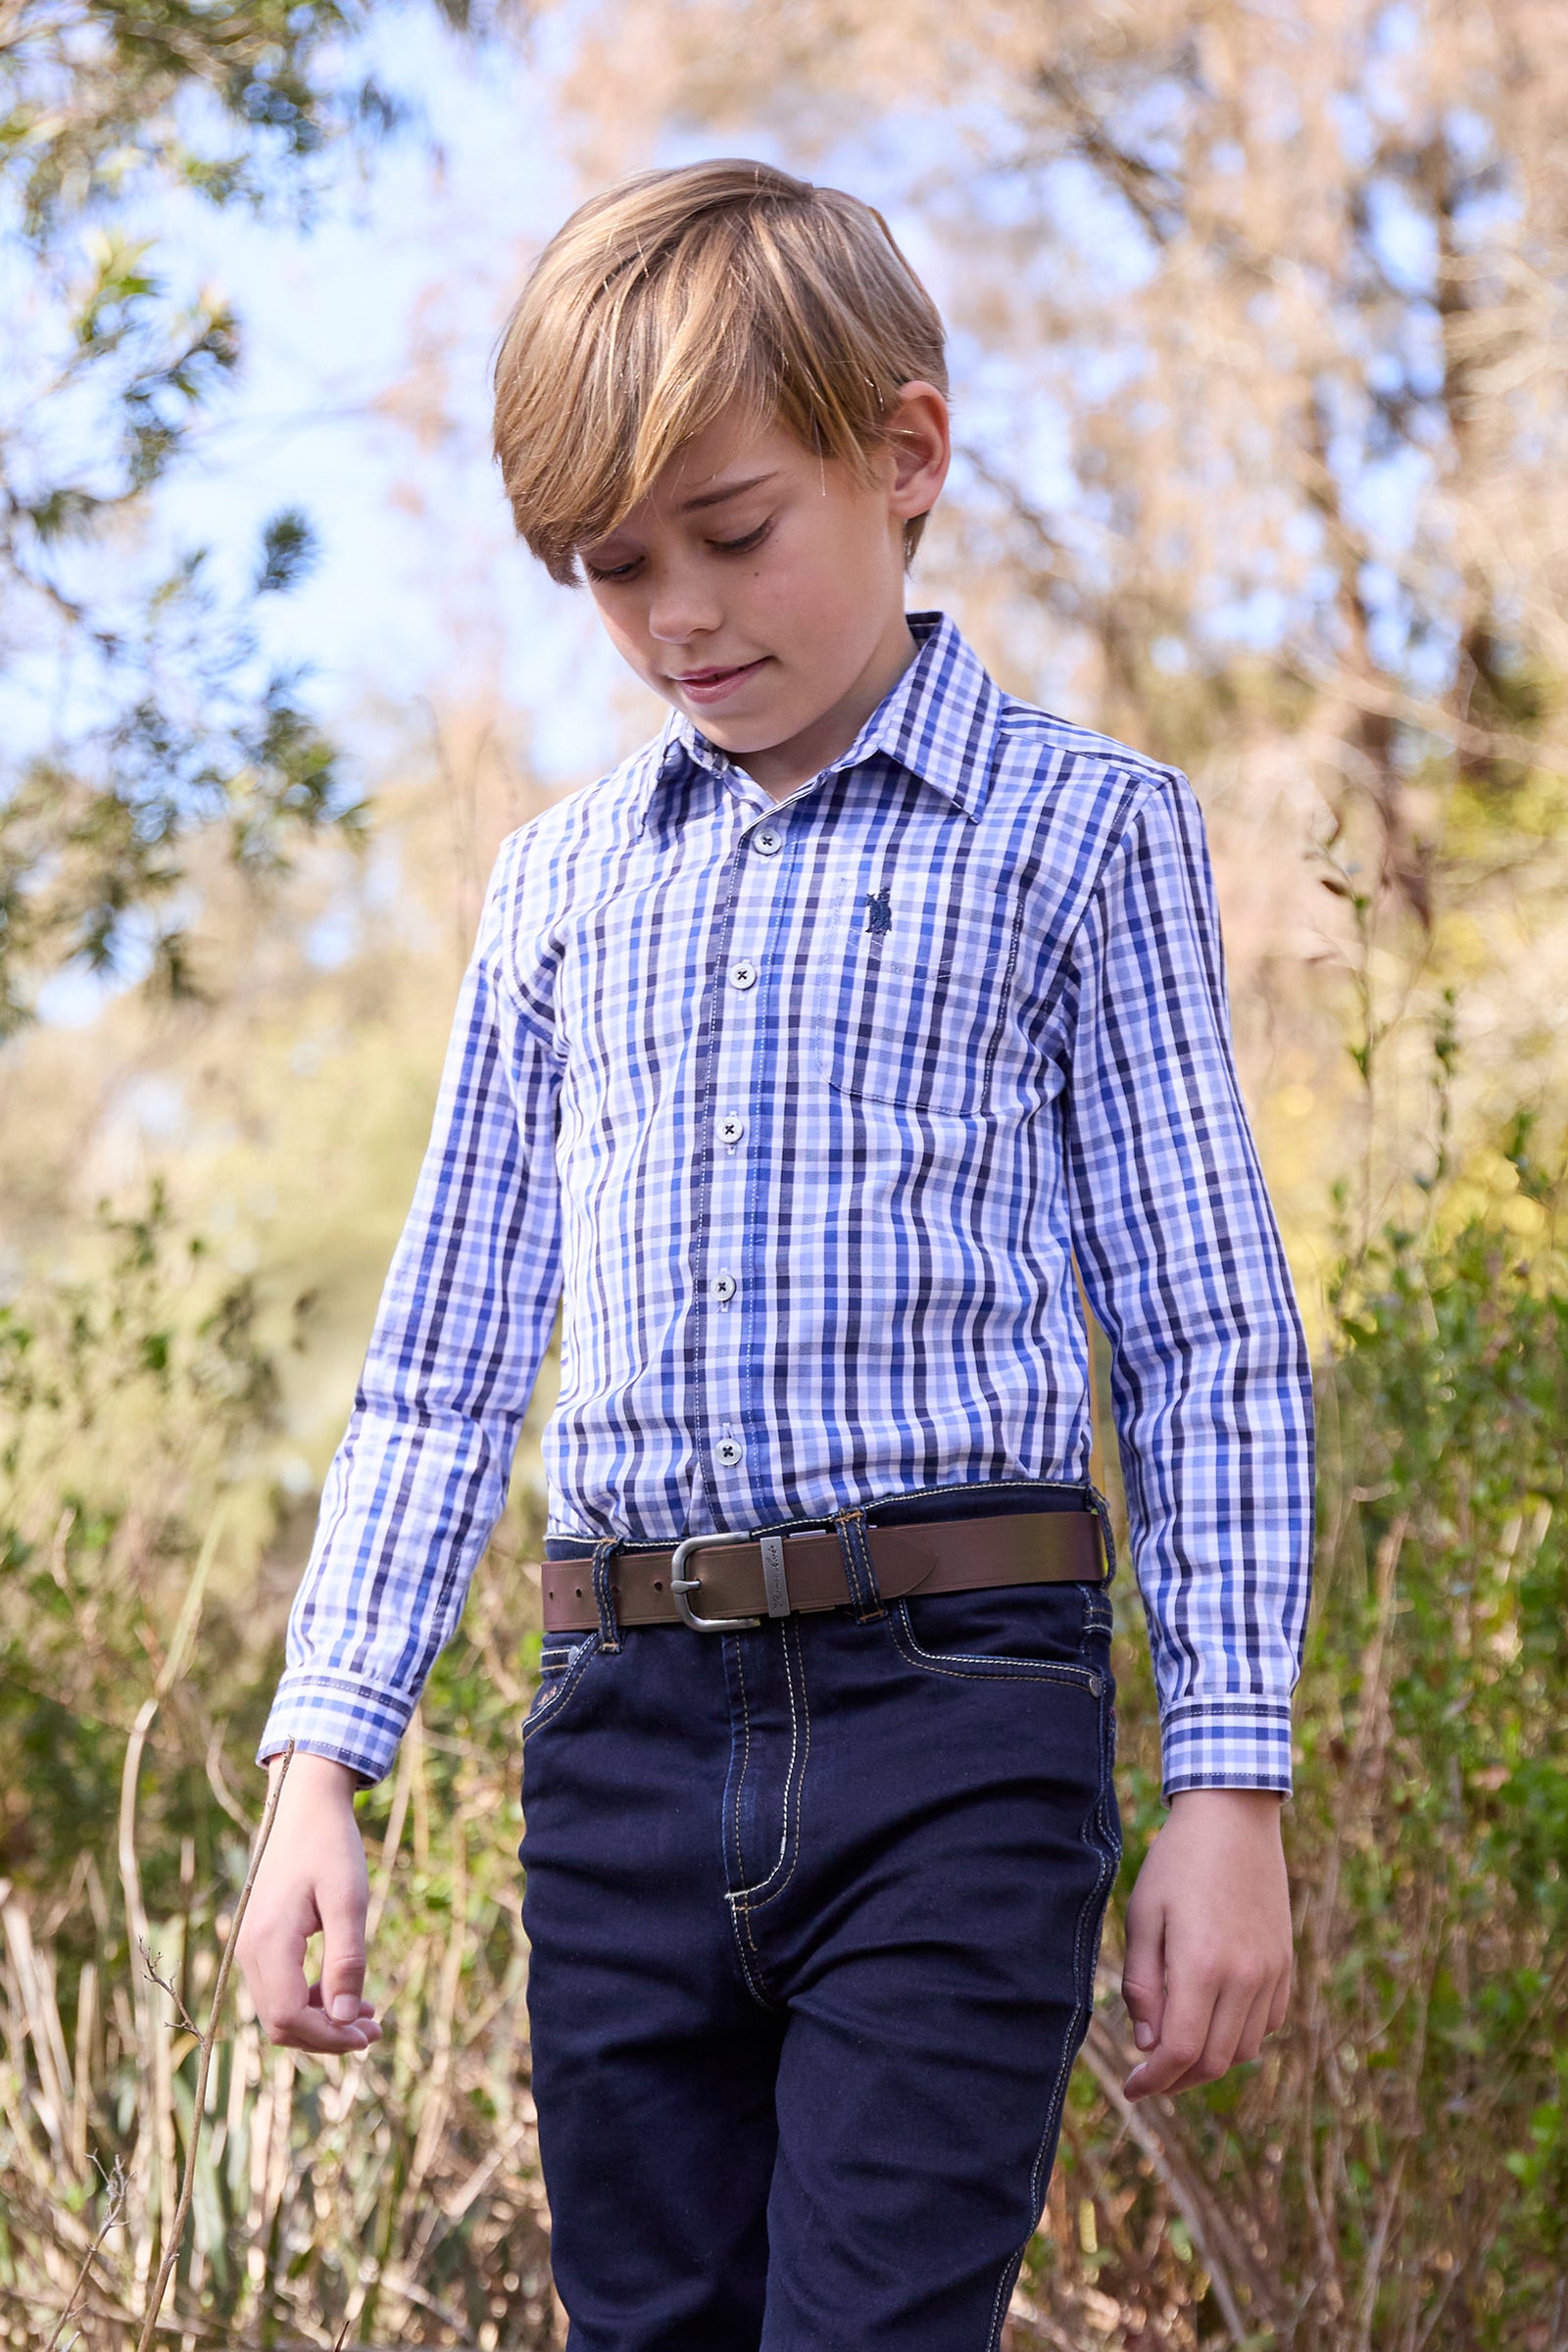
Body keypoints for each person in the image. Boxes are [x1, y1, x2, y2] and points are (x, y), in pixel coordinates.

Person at [238, 159, 1314, 2350]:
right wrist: (319, 1765)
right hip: (621, 1738)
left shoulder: (1084, 833)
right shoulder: (556, 896)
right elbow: (442, 1364)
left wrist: (1228, 1780)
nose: (678, 617)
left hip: (957, 1719)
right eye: (614, 569)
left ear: (903, 454)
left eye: (731, 534)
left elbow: (1205, 1335)